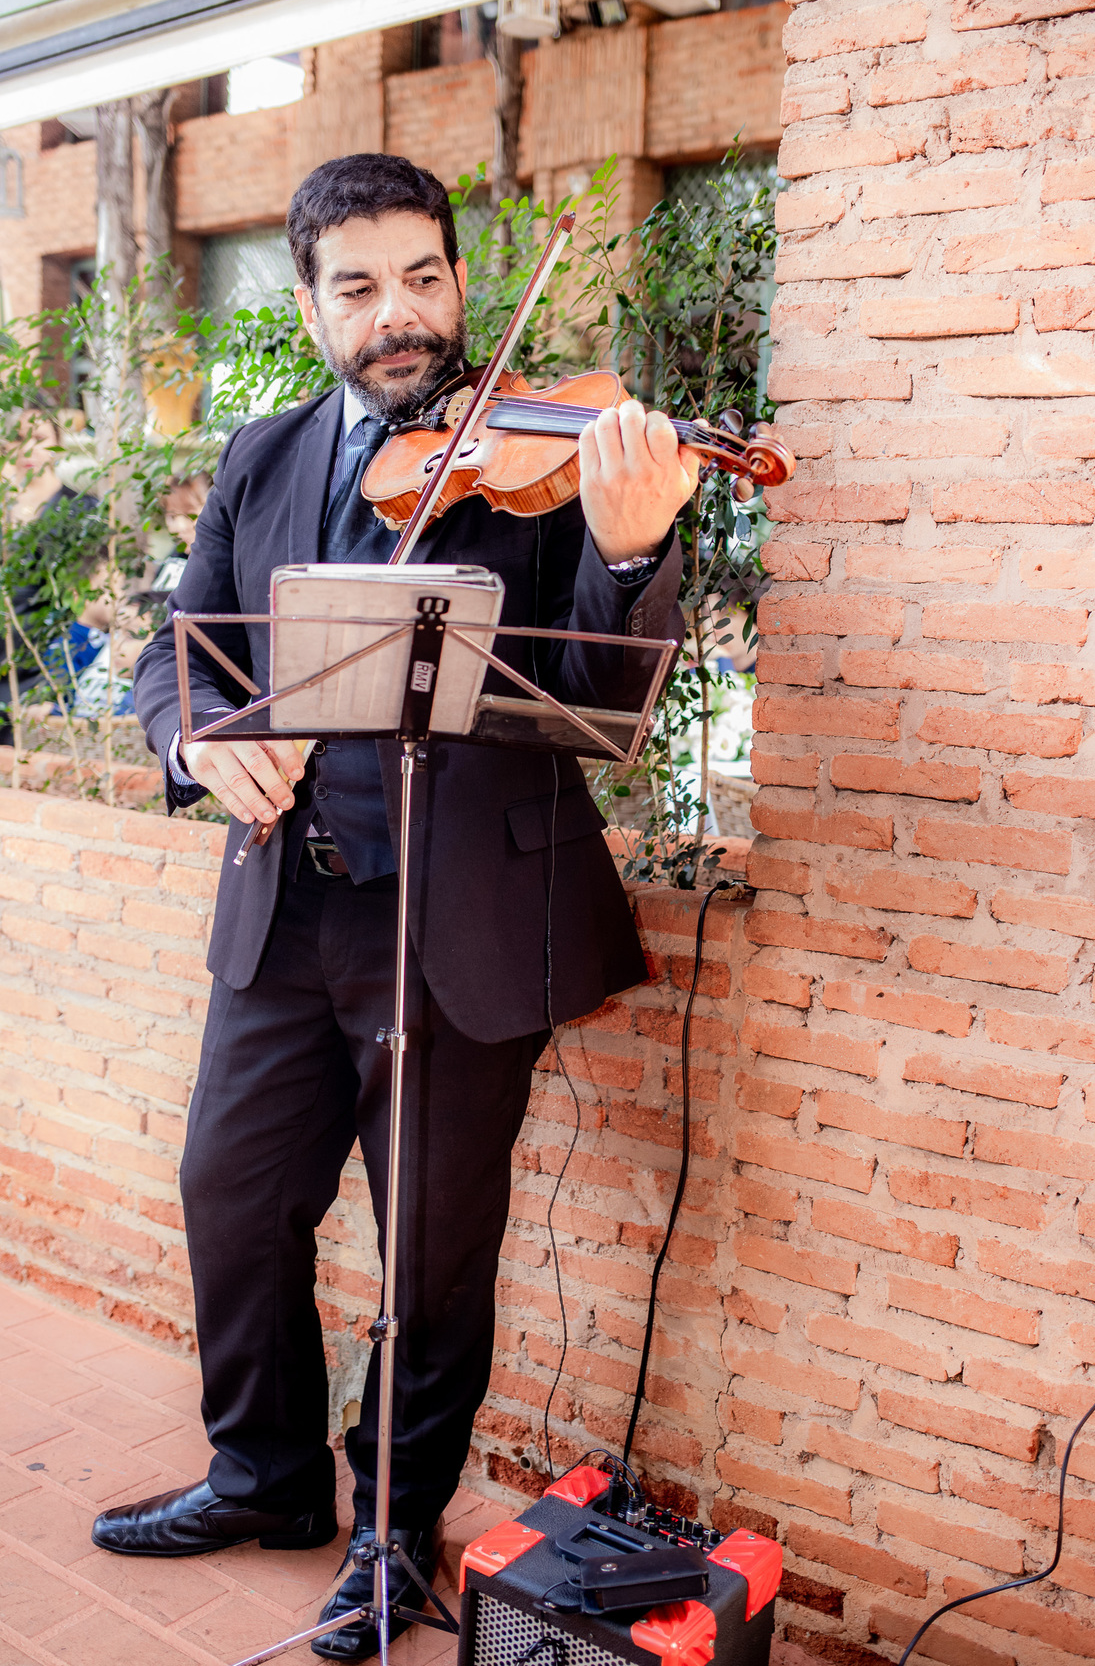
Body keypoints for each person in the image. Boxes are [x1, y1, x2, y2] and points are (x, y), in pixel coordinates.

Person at [95, 153, 695, 1662]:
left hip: (457, 927)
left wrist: (630, 550)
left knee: (429, 1257)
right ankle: (267, 1476)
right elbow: (188, 649)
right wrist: (196, 737)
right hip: (286, 916)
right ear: (309, 304)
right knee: (231, 1203)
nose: (400, 314)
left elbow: (595, 706)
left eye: (423, 275)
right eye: (358, 288)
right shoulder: (268, 452)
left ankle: (390, 1533)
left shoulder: (546, 461)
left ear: (456, 275)